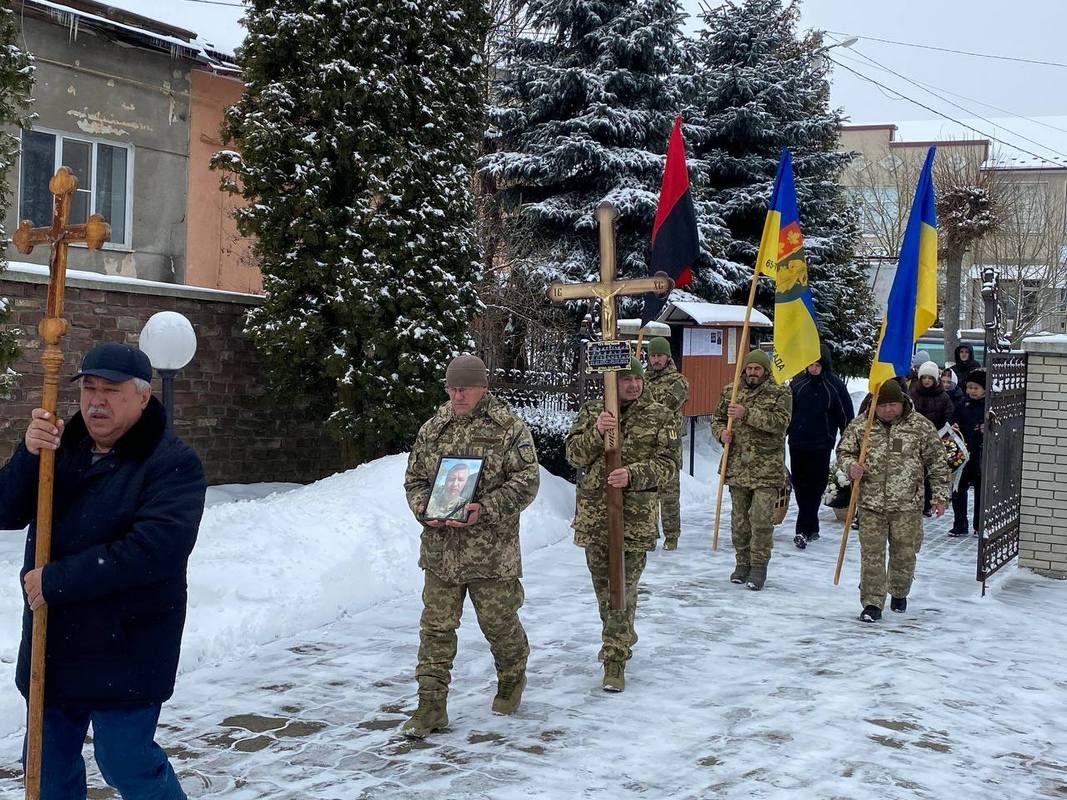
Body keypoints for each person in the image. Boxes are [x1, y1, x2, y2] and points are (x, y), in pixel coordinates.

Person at [0, 342, 206, 799]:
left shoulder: (171, 463)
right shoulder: (60, 448)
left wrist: (56, 580)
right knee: (47, 768)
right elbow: (6, 510)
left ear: (143, 396)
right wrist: (29, 454)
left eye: (110, 390)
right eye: (89, 388)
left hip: (128, 645)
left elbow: (153, 551)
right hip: (54, 644)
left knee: (126, 762)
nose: (96, 401)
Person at [402, 354, 539, 738]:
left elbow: (527, 481)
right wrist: (423, 509)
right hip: (441, 551)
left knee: (499, 624)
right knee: (435, 629)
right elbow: (414, 479)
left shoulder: (508, 429)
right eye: (451, 388)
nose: (457, 395)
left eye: (464, 388)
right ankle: (430, 706)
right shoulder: (435, 428)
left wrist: (487, 508)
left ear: (483, 388)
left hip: (490, 554)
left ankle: (512, 676)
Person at [565, 358, 678, 692]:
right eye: (626, 380)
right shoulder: (591, 412)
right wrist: (596, 432)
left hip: (635, 521)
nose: (633, 385)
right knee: (605, 594)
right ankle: (622, 633)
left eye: (637, 380)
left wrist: (634, 474)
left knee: (622, 590)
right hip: (595, 519)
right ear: (612, 383)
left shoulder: (660, 416)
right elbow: (572, 455)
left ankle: (614, 660)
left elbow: (669, 465)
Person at [837, 380, 951, 622]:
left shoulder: (919, 427)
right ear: (875, 405)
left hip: (907, 505)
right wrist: (850, 466)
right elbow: (844, 452)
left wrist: (940, 496)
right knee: (872, 555)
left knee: (904, 553)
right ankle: (872, 602)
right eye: (884, 405)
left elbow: (938, 462)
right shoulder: (861, 427)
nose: (889, 410)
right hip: (871, 504)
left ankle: (899, 592)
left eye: (894, 405)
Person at [711, 350, 792, 591]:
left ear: (766, 371)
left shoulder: (780, 392)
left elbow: (781, 423)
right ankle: (742, 563)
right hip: (737, 466)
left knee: (761, 520)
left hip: (766, 469)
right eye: (749, 369)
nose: (753, 373)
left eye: (758, 369)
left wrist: (747, 414)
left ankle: (758, 566)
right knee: (739, 522)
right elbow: (716, 419)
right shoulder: (731, 391)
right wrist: (721, 433)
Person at [786, 343, 854, 550]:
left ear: (824, 365)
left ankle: (802, 530)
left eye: (817, 365)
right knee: (800, 485)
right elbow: (787, 413)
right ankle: (811, 525)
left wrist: (847, 440)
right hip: (798, 442)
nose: (813, 369)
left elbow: (845, 416)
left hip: (821, 444)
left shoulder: (834, 386)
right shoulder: (797, 384)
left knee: (815, 487)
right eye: (810, 365)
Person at [644, 336, 689, 550]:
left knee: (669, 495)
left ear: (667, 357)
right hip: (645, 444)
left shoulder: (678, 381)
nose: (656, 360)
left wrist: (644, 407)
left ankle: (672, 535)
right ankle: (650, 532)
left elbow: (667, 406)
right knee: (647, 492)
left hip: (667, 445)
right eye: (652, 356)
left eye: (659, 355)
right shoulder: (641, 380)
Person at [909, 360, 956, 516]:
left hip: (934, 438)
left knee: (930, 472)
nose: (927, 381)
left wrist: (942, 431)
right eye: (924, 378)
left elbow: (949, 415)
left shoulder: (943, 397)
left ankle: (927, 504)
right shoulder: (913, 394)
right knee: (915, 471)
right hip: (914, 439)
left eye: (930, 378)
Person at [950, 369, 986, 537]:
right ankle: (959, 524)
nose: (971, 391)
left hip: (981, 453)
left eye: (976, 388)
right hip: (962, 452)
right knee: (958, 488)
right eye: (969, 387)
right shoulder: (963, 404)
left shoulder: (989, 405)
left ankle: (979, 525)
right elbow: (953, 420)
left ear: (984, 389)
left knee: (980, 489)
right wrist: (954, 425)